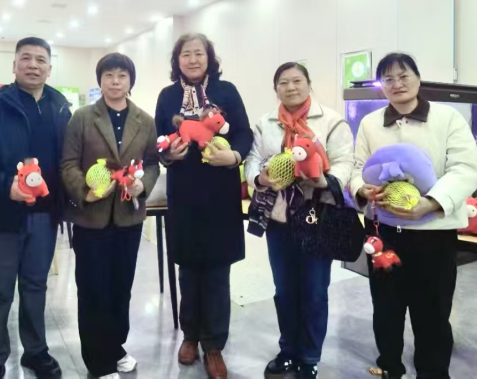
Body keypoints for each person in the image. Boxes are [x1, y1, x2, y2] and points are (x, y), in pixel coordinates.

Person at [350, 53, 477, 380]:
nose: (397, 84)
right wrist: (363, 188)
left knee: (432, 312)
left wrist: (431, 202)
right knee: (386, 309)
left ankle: (433, 373)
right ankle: (389, 367)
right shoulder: (370, 123)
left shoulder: (447, 118)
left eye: (404, 76)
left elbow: (466, 168)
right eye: (388, 79)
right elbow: (356, 168)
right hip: (384, 234)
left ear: (418, 78)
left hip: (434, 234)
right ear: (381, 86)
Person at [245, 62, 354, 380]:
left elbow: (346, 161)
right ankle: (288, 351)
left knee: (315, 290)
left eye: (297, 81)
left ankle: (309, 356)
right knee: (284, 290)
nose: (290, 87)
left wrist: (324, 181)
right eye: (283, 82)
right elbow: (252, 159)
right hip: (279, 218)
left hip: (317, 215)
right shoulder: (265, 123)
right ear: (275, 89)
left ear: (308, 84)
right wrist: (260, 178)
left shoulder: (331, 121)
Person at [0, 37, 71, 380]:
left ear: (49, 68)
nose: (33, 65)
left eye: (40, 60)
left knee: (35, 286)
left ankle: (36, 352)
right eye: (25, 58)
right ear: (14, 65)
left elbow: (68, 158)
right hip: (2, 216)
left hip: (44, 215)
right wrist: (5, 185)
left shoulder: (60, 106)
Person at [155, 33, 253, 380]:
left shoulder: (227, 91)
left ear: (210, 58)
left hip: (220, 194)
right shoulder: (167, 96)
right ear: (177, 60)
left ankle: (213, 345)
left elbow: (244, 133)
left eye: (199, 53)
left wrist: (235, 156)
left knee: (216, 273)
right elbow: (158, 139)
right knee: (188, 270)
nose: (193, 59)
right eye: (186, 54)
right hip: (183, 194)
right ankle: (190, 335)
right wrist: (167, 154)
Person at [61, 53, 159, 380]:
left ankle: (115, 347)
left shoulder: (145, 120)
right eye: (109, 75)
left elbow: (152, 163)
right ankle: (98, 361)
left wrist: (142, 184)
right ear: (100, 80)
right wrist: (84, 191)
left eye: (122, 76)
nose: (115, 82)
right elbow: (68, 163)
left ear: (131, 81)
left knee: (120, 287)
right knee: (93, 290)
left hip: (128, 218)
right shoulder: (82, 117)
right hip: (92, 218)